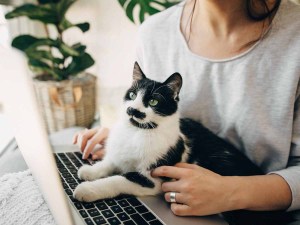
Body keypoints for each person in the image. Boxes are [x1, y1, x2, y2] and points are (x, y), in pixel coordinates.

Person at [73, 0, 300, 221]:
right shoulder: (154, 32)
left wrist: (230, 193)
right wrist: (125, 137)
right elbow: (154, 117)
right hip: (161, 203)